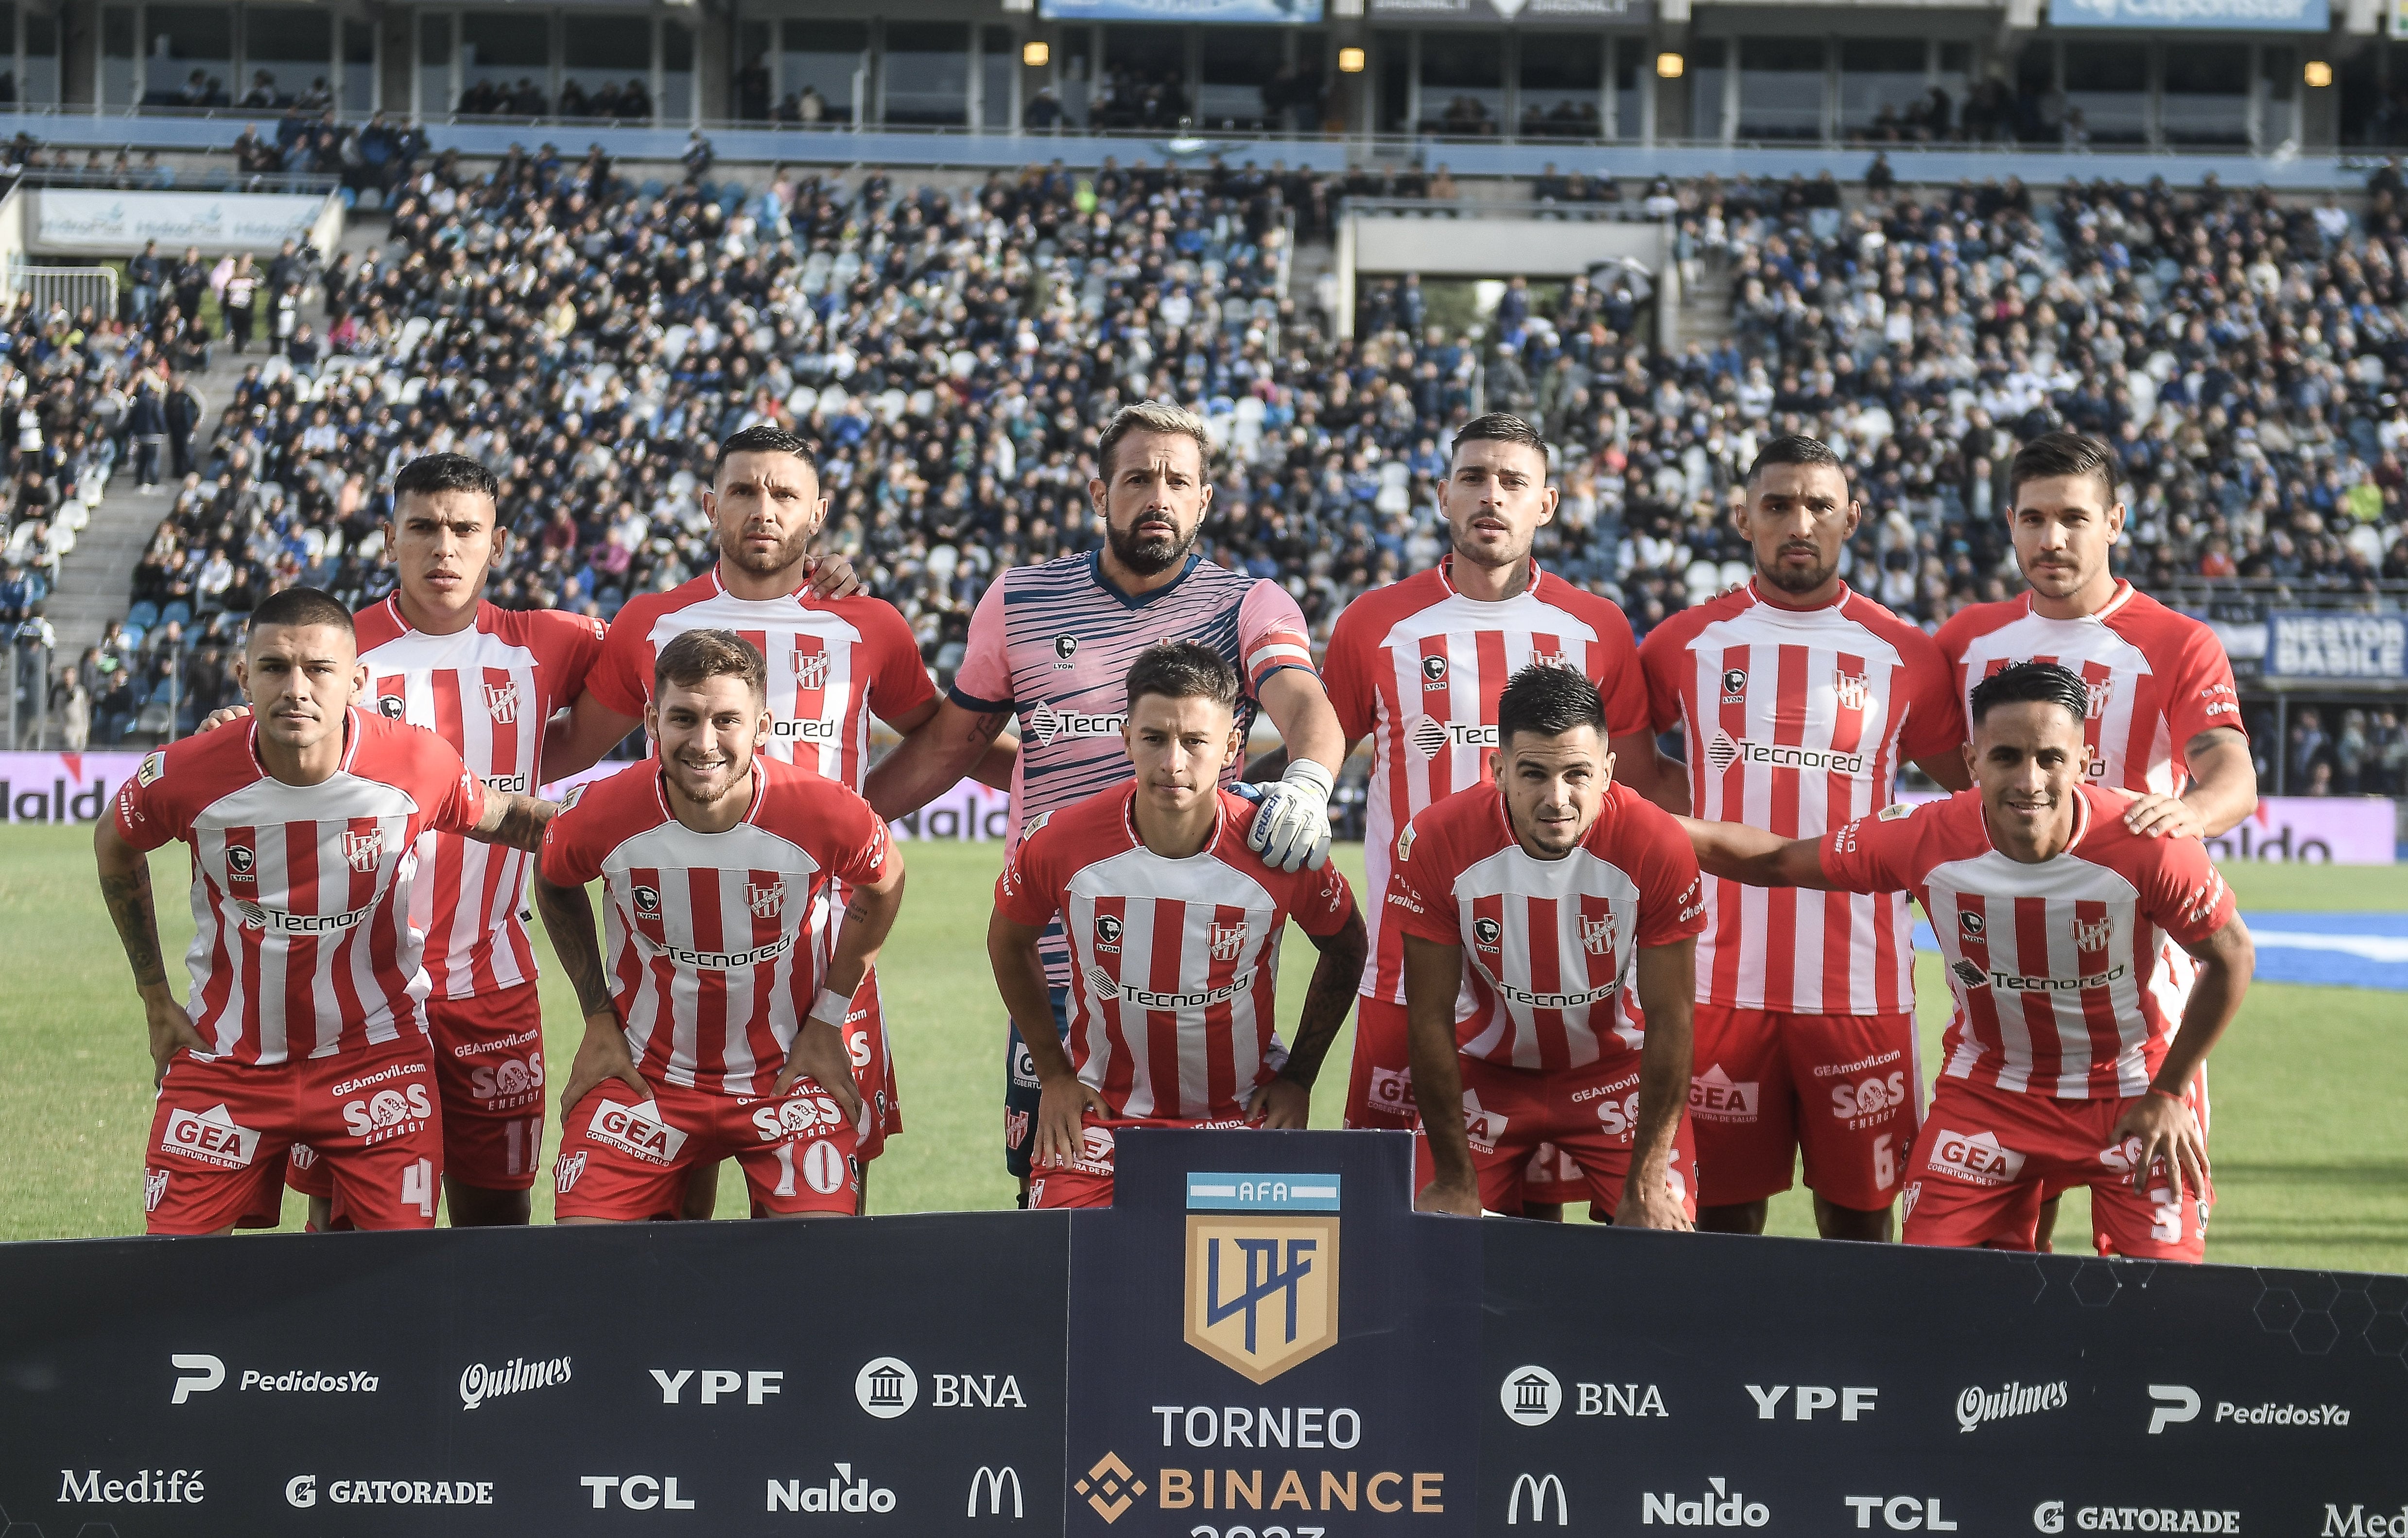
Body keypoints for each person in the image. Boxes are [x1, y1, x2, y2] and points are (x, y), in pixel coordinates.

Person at [862, 400, 1345, 1202]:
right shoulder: (1019, 601)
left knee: (1219, 1209)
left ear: (1205, 500)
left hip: (1206, 964)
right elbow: (954, 745)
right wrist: (837, 824)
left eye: (1177, 479)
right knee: (1054, 1200)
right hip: (1058, 960)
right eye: (1138, 477)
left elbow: (1303, 705)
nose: (1157, 493)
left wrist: (1310, 779)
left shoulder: (1249, 603)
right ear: (1099, 493)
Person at [1680, 662, 2253, 1259]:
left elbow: (2231, 954)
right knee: (1938, 1297)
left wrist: (2168, 1091)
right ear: (1972, 761)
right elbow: (1775, 860)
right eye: (2005, 756)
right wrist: (1636, 819)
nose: (2029, 780)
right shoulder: (1926, 837)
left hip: (2135, 1087)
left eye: (2050, 758)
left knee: (2158, 1307)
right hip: (1991, 1090)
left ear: (2082, 760)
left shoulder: (2149, 843)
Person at [94, 586, 556, 1236]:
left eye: (319, 669)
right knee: (173, 1276)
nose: (296, 688)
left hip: (377, 1061)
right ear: (243, 676)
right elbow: (114, 845)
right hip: (228, 1058)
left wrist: (644, 819)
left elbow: (507, 818)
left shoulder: (414, 761)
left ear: (357, 681)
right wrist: (153, 994)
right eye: (275, 668)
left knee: (396, 1277)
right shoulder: (185, 773)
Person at [220, 455, 607, 1228]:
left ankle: (485, 1356)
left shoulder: (552, 643)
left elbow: (699, 650)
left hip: (490, 984)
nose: (445, 548)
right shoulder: (334, 647)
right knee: (345, 1222)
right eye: (424, 528)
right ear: (390, 536)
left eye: (466, 530)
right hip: (352, 990)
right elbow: (254, 737)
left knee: (497, 1210)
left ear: (497, 546)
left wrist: (814, 572)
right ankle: (345, 1356)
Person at [548, 424, 907, 1213]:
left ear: (818, 512)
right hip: (670, 960)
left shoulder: (869, 621)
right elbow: (572, 746)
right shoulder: (650, 619)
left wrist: (860, 816)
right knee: (673, 1217)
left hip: (821, 963)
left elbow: (948, 731)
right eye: (743, 490)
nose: (763, 508)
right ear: (711, 506)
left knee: (823, 1230)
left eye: (784, 493)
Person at [1321, 411, 1663, 1219]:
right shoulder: (1375, 624)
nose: (1491, 495)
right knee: (1396, 1224)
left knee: (1542, 1227)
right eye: (1474, 477)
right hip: (1407, 979)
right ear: (1443, 494)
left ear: (1547, 503)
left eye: (1513, 481)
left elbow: (1639, 797)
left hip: (1568, 989)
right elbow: (1320, 753)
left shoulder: (1598, 628)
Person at [1634, 435, 1970, 1242]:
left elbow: (1973, 792)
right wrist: (1715, 818)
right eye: (1778, 504)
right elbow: (1637, 772)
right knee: (1719, 1218)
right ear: (1744, 516)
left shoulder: (1906, 654)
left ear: (1852, 517)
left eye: (1820, 505)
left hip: (1860, 989)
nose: (1798, 521)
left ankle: (1855, 1369)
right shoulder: (1683, 643)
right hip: (1714, 982)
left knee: (1858, 1221)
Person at [1936, 430, 2254, 1249]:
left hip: (2136, 998)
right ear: (2009, 522)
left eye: (2074, 518)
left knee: (2154, 1278)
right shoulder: (1967, 641)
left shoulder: (2176, 641)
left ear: (2115, 520)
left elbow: (2231, 775)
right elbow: (1940, 761)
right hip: (2007, 990)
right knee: (2006, 1248)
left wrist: (2188, 816)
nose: (2053, 539)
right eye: (2034, 518)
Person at [990, 643, 1366, 1207]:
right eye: (1154, 738)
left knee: (1246, 1292)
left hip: (1241, 1117)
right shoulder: (1061, 842)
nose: (1172, 762)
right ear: (1125, 738)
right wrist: (1053, 1074)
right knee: (1074, 1286)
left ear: (1232, 745)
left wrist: (1298, 1078)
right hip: (1100, 1116)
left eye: (1194, 741)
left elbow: (1347, 948)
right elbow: (1008, 939)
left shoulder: (1277, 849)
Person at [1400, 664, 1704, 1227]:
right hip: (1485, 1072)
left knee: (1663, 1247)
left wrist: (1645, 1182)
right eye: (1533, 773)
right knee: (1429, 1237)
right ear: (1498, 769)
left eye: (1577, 774)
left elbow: (1672, 1017)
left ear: (1609, 771)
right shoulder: (1437, 838)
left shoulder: (1656, 842)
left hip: (1616, 1073)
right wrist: (1453, 1177)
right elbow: (1428, 1018)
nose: (1555, 798)